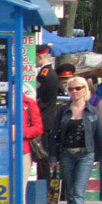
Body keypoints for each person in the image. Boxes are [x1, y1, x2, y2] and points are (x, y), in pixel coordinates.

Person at [48, 77, 102, 204]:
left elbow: (99, 137)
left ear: (85, 90)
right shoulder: (62, 110)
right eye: (71, 89)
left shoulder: (92, 111)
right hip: (66, 154)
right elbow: (54, 135)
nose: (75, 92)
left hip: (85, 155)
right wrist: (53, 157)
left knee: (78, 191)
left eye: (78, 88)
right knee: (70, 193)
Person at [35, 44, 59, 177]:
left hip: (43, 118)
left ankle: (43, 185)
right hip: (47, 118)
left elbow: (36, 93)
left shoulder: (45, 74)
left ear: (40, 56)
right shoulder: (49, 72)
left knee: (41, 156)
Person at [22, 93, 44, 197]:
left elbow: (38, 128)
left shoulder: (29, 103)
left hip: (23, 151)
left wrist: (20, 132)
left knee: (20, 189)